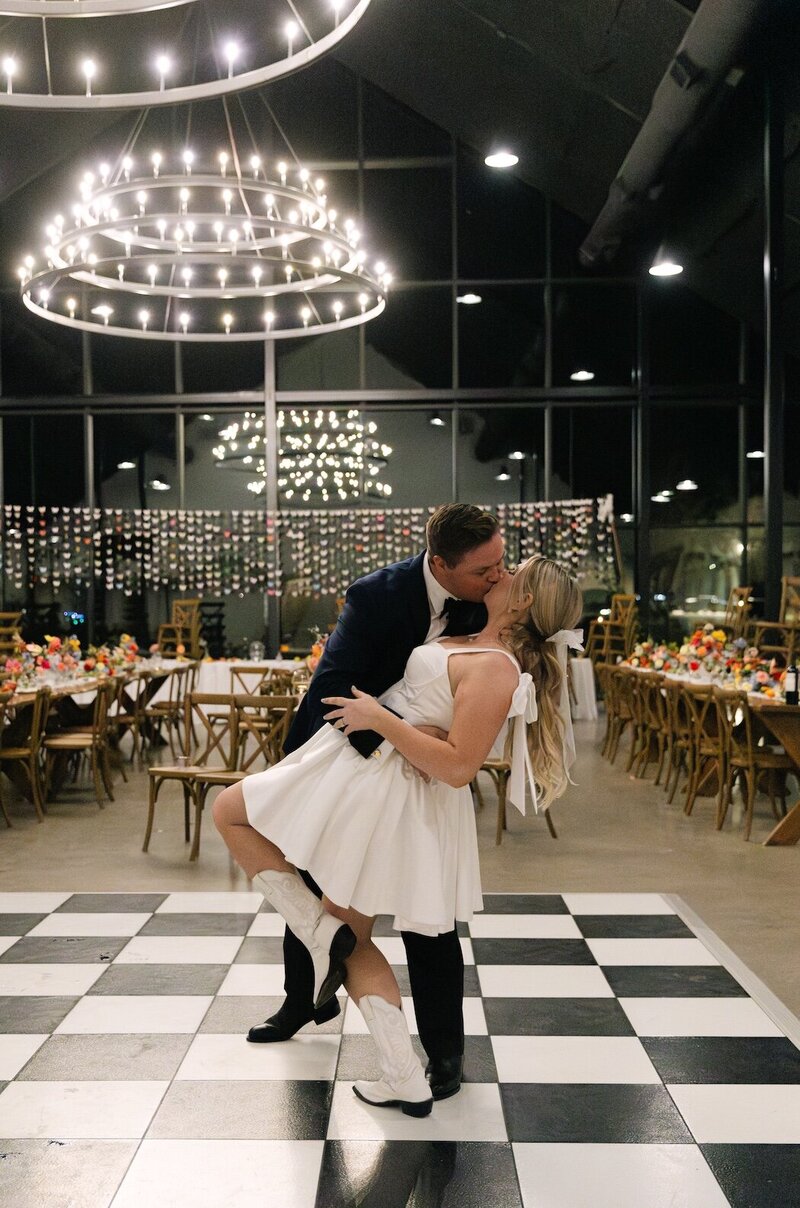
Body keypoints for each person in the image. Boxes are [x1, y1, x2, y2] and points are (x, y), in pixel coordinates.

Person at [213, 552, 583, 1116]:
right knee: (333, 920)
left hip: (388, 791)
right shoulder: (470, 633)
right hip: (368, 771)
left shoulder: (496, 665)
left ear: (526, 601)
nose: (498, 574)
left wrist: (384, 720)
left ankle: (340, 965)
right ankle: (399, 1070)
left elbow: (460, 767)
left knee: (234, 814)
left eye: (511, 573)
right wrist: (404, 721)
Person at [243, 503, 505, 1104]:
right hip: (344, 751)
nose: (497, 576)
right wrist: (398, 741)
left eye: (500, 562)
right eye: (483, 569)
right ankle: (301, 1004)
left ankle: (445, 1054)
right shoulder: (376, 595)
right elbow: (334, 684)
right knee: (313, 887)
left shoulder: (489, 602)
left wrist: (434, 743)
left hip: (425, 778)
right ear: (439, 563)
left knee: (428, 913)